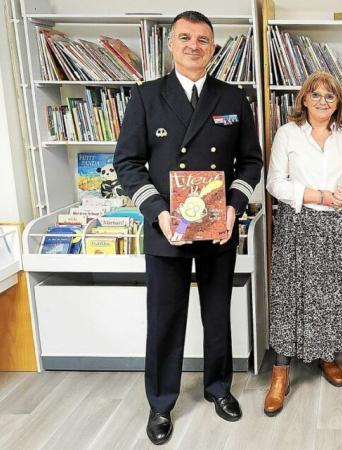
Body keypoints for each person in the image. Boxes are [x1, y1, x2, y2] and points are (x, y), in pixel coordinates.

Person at [113, 11, 263, 445]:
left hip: (218, 228)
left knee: (218, 315)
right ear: (172, 45)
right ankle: (160, 403)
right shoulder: (145, 97)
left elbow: (250, 161)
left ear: (213, 48)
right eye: (185, 38)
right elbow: (128, 164)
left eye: (203, 39)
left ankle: (219, 389)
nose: (194, 45)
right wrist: (157, 210)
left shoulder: (233, 98)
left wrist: (234, 206)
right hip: (166, 229)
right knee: (164, 319)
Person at [264, 72, 342, 416]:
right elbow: (274, 183)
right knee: (290, 295)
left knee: (331, 294)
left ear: (338, 102)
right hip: (297, 222)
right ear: (304, 100)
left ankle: (328, 357)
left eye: (330, 97)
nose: (323, 102)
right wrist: (320, 196)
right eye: (316, 95)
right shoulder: (287, 133)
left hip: (337, 224)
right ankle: (280, 373)